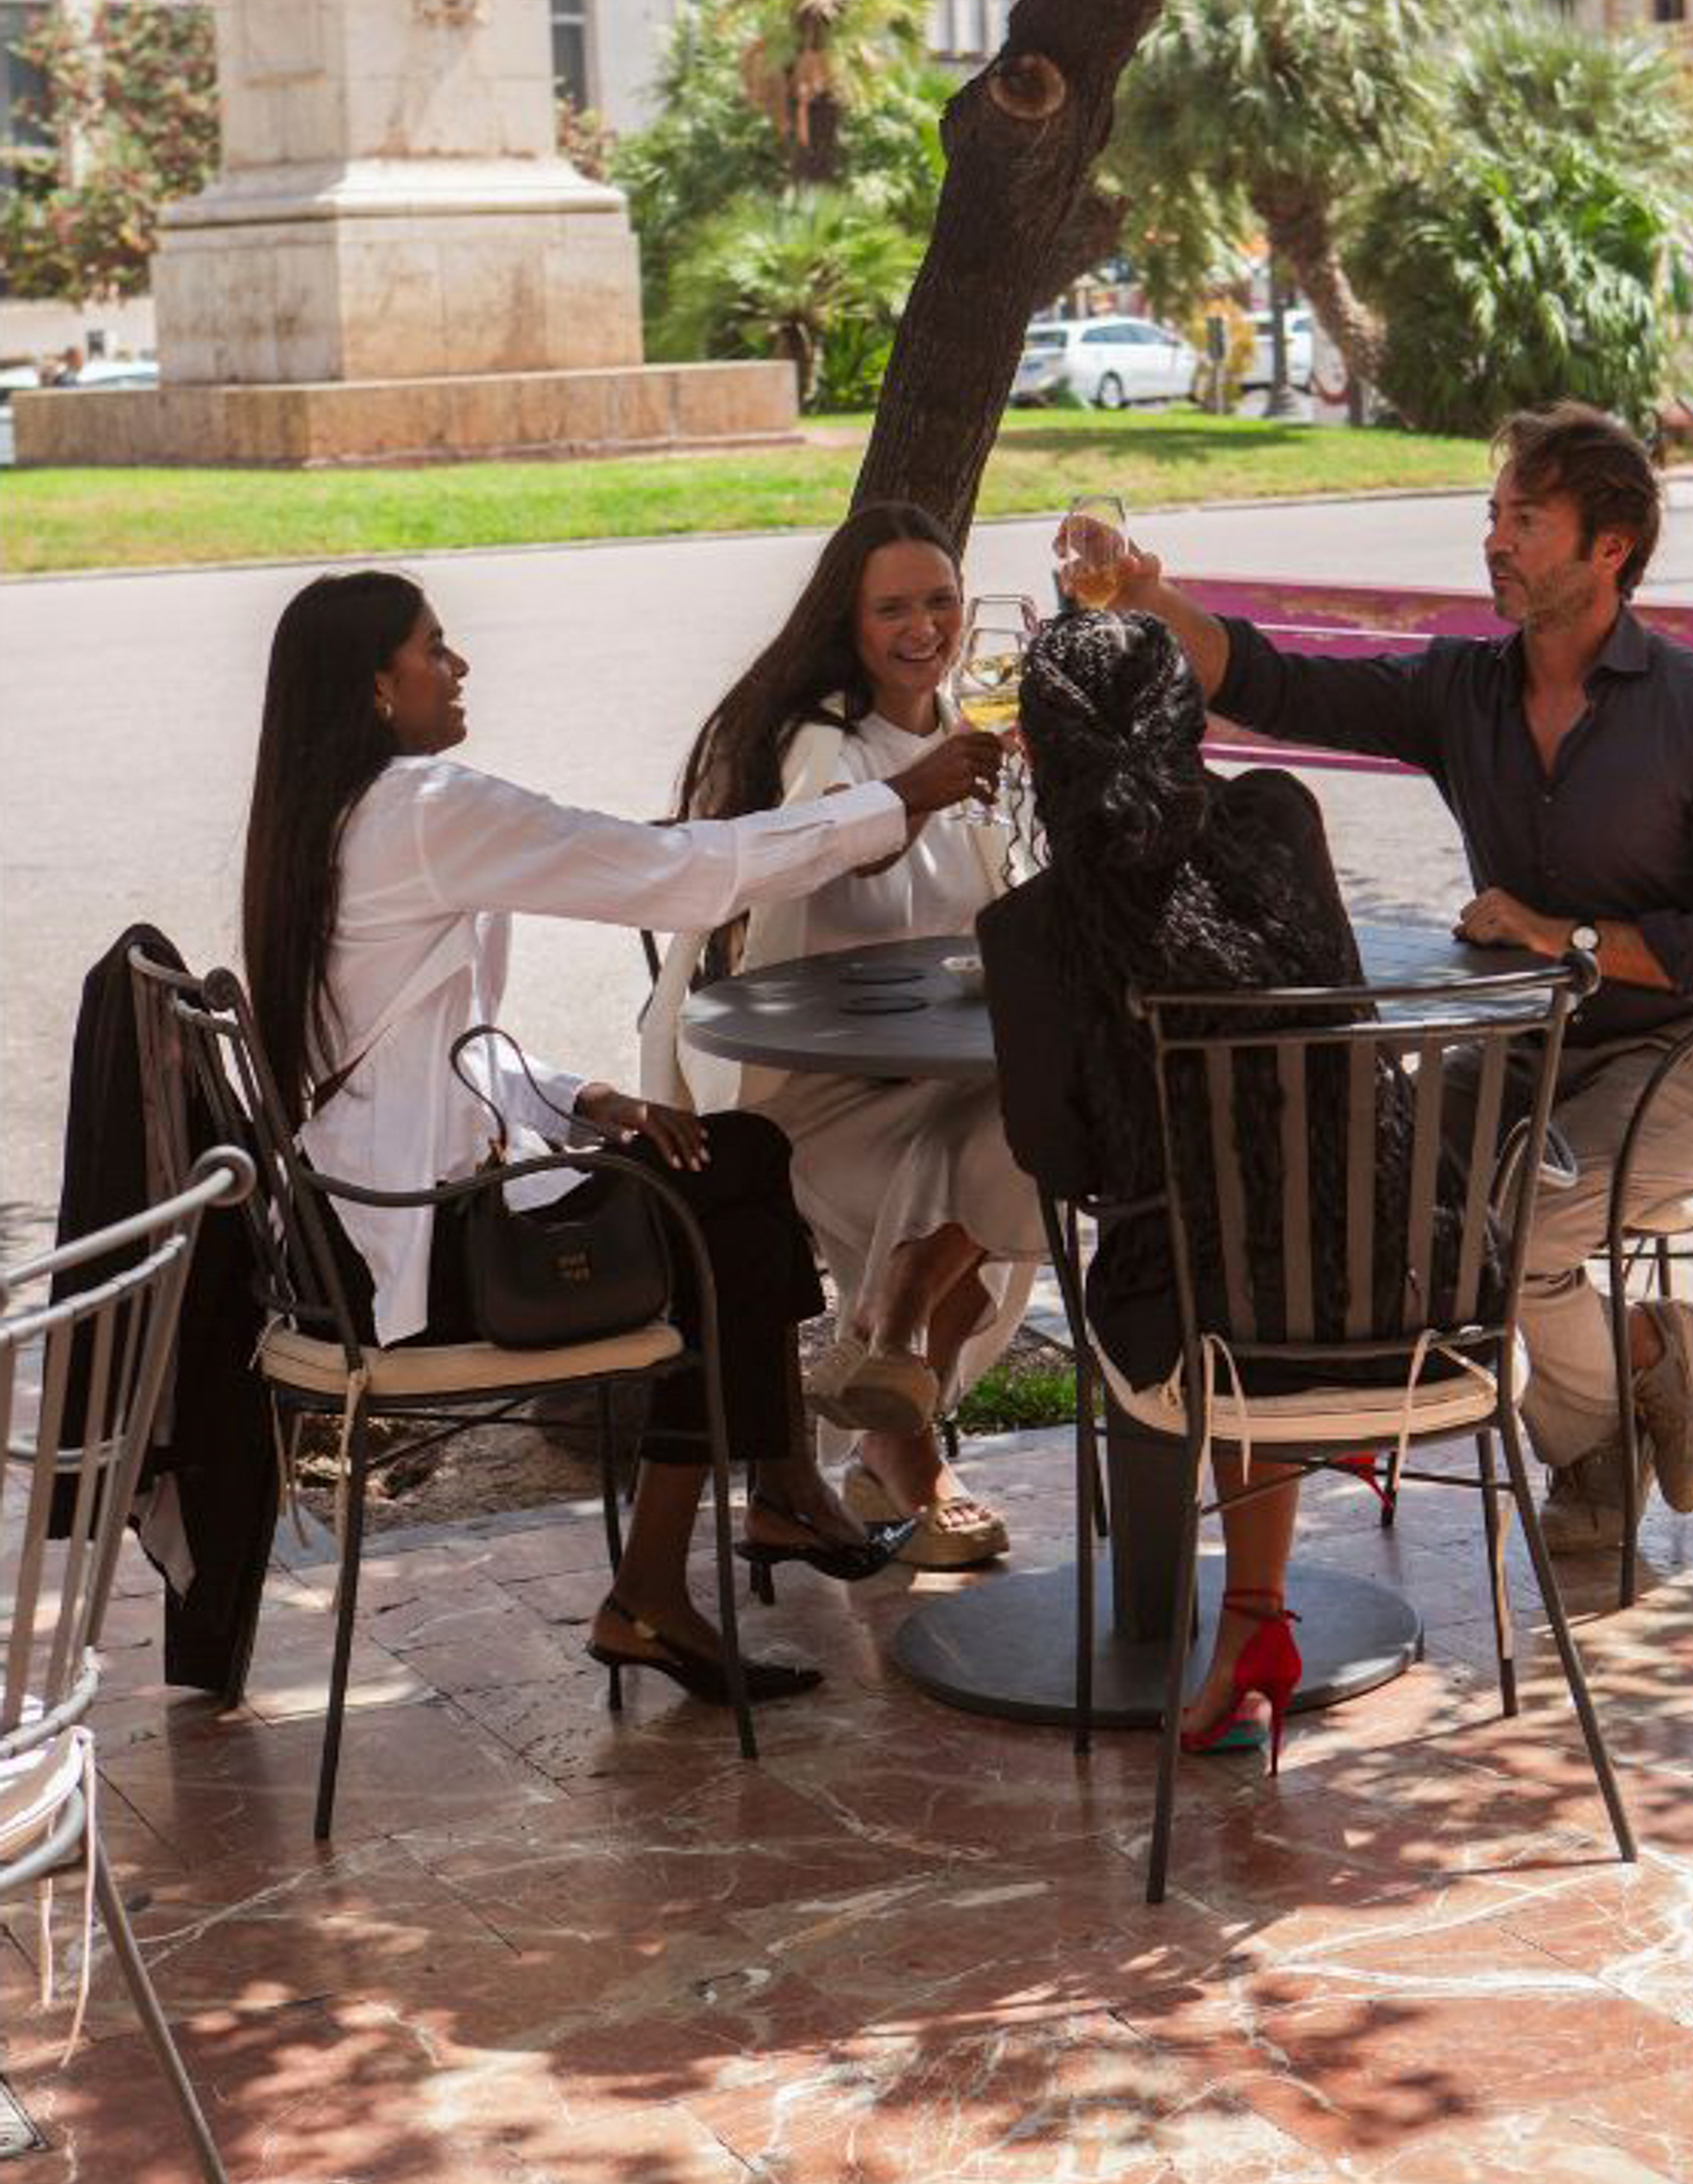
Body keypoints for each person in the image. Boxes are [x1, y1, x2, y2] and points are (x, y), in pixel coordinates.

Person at [241, 568, 1001, 1706]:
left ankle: (742, 1520)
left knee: (733, 1161)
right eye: (432, 649)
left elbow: (420, 1048)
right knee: (735, 1205)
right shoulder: (423, 810)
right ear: (371, 689)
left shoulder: (334, 816)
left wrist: (588, 1098)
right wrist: (901, 798)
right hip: (426, 1259)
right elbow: (676, 877)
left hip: (357, 1233)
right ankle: (720, 1535)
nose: (457, 668)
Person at [1085, 401, 1693, 1553]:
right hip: (1539, 1045)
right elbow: (1280, 685)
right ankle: (1628, 1385)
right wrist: (1149, 600)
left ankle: (1608, 1417)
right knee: (1383, 1190)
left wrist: (1566, 936)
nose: (1493, 541)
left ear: (1607, 547)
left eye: (1524, 519)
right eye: (1491, 515)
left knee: (1517, 1231)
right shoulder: (1463, 691)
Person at [978, 608, 1471, 1760]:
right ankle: (1252, 1621)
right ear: (1188, 730)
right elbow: (1338, 1018)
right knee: (1266, 1227)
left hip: (1205, 1330)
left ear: (1036, 757)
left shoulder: (1030, 929)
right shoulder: (1277, 820)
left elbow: (1060, 1164)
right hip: (1412, 1299)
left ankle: (1231, 1623)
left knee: (1209, 1258)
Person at [642, 503, 1040, 1571]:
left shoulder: (970, 722)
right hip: (807, 1085)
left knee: (1057, 1123)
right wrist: (912, 798)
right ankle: (904, 1446)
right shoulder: (816, 739)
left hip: (942, 1065)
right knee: (983, 1160)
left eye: (942, 600)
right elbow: (834, 850)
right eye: (894, 607)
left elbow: (1007, 895)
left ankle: (896, 1330)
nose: (925, 626)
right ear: (846, 621)